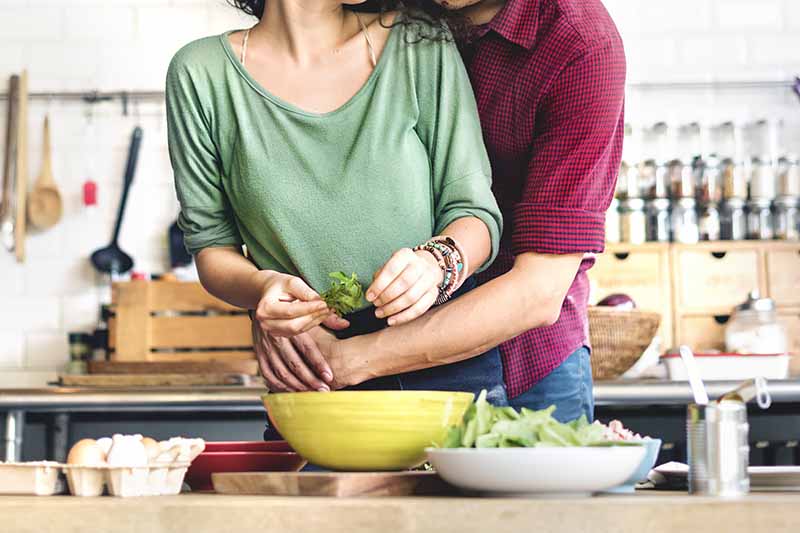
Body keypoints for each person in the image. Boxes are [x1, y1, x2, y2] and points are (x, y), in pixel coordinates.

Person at [257, 0, 626, 423]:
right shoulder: (376, 7)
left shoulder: (580, 43)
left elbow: (538, 292)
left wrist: (342, 361)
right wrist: (273, 306)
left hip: (522, 361)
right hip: (347, 344)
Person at [166, 0, 508, 406]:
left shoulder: (418, 39)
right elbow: (212, 250)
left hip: (444, 365)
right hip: (312, 371)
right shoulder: (200, 73)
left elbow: (475, 213)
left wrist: (437, 263)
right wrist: (263, 289)